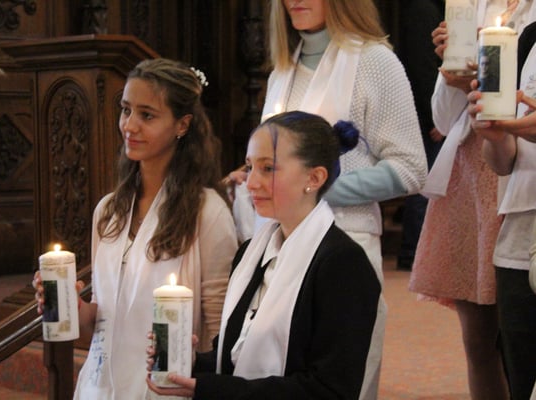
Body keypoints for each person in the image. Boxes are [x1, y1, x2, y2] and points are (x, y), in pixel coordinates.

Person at [228, 2, 428, 398]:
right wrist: (258, 175)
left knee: (332, 384)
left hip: (343, 248)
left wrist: (314, 190)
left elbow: (410, 168)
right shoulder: (283, 69)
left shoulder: (374, 62)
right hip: (277, 248)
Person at [33, 58, 239, 399]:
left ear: (182, 124)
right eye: (126, 110)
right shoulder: (108, 211)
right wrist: (71, 305)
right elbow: (100, 324)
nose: (130, 125)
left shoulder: (208, 213)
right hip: (100, 388)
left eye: (147, 115)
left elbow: (219, 329)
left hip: (164, 390)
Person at [147, 110, 381, 400]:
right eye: (250, 167)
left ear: (315, 177)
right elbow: (237, 356)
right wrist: (190, 363)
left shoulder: (343, 265)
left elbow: (330, 390)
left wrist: (211, 389)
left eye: (268, 168)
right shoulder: (251, 252)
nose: (251, 182)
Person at [409, 2, 513, 399]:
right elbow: (442, 120)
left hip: (519, 169)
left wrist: (485, 76)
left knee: (520, 334)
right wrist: (454, 76)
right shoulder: (472, 5)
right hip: (469, 176)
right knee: (479, 342)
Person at [466, 3, 536, 397]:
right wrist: (495, 137)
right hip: (520, 238)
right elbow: (503, 162)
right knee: (522, 377)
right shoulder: (527, 39)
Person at [396, 0, 445, 271]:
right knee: (424, 186)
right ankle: (414, 253)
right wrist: (434, 116)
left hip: (426, 109)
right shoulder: (423, 9)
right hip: (424, 112)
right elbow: (421, 66)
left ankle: (416, 253)